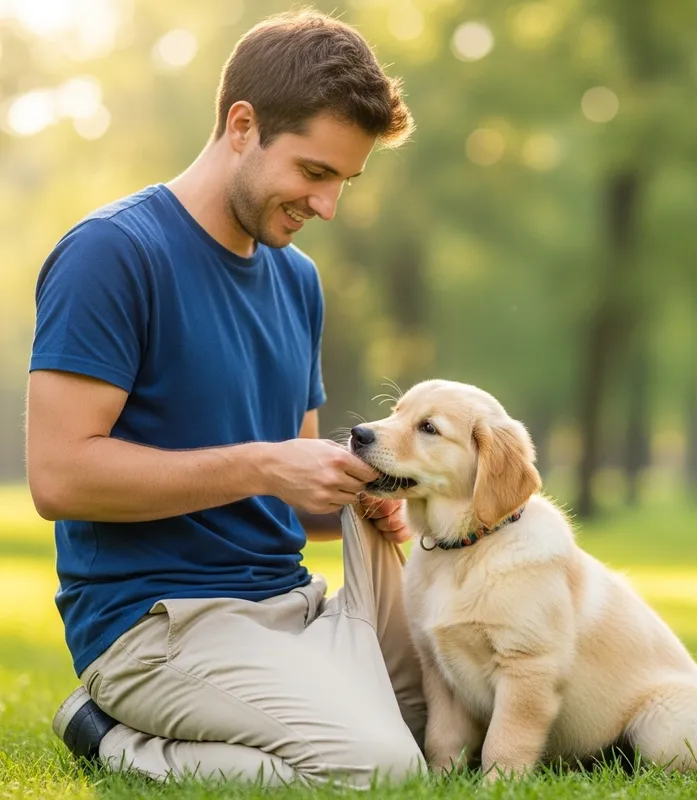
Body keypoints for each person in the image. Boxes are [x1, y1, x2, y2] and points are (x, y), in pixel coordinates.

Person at [26, 10, 426, 788]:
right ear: (242, 125)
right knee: (378, 769)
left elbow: (295, 503)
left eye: (344, 181)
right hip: (159, 624)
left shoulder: (297, 280)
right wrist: (265, 467)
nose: (328, 206)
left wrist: (359, 493)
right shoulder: (113, 254)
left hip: (292, 604)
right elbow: (59, 480)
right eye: (314, 173)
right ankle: (109, 734)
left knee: (453, 727)